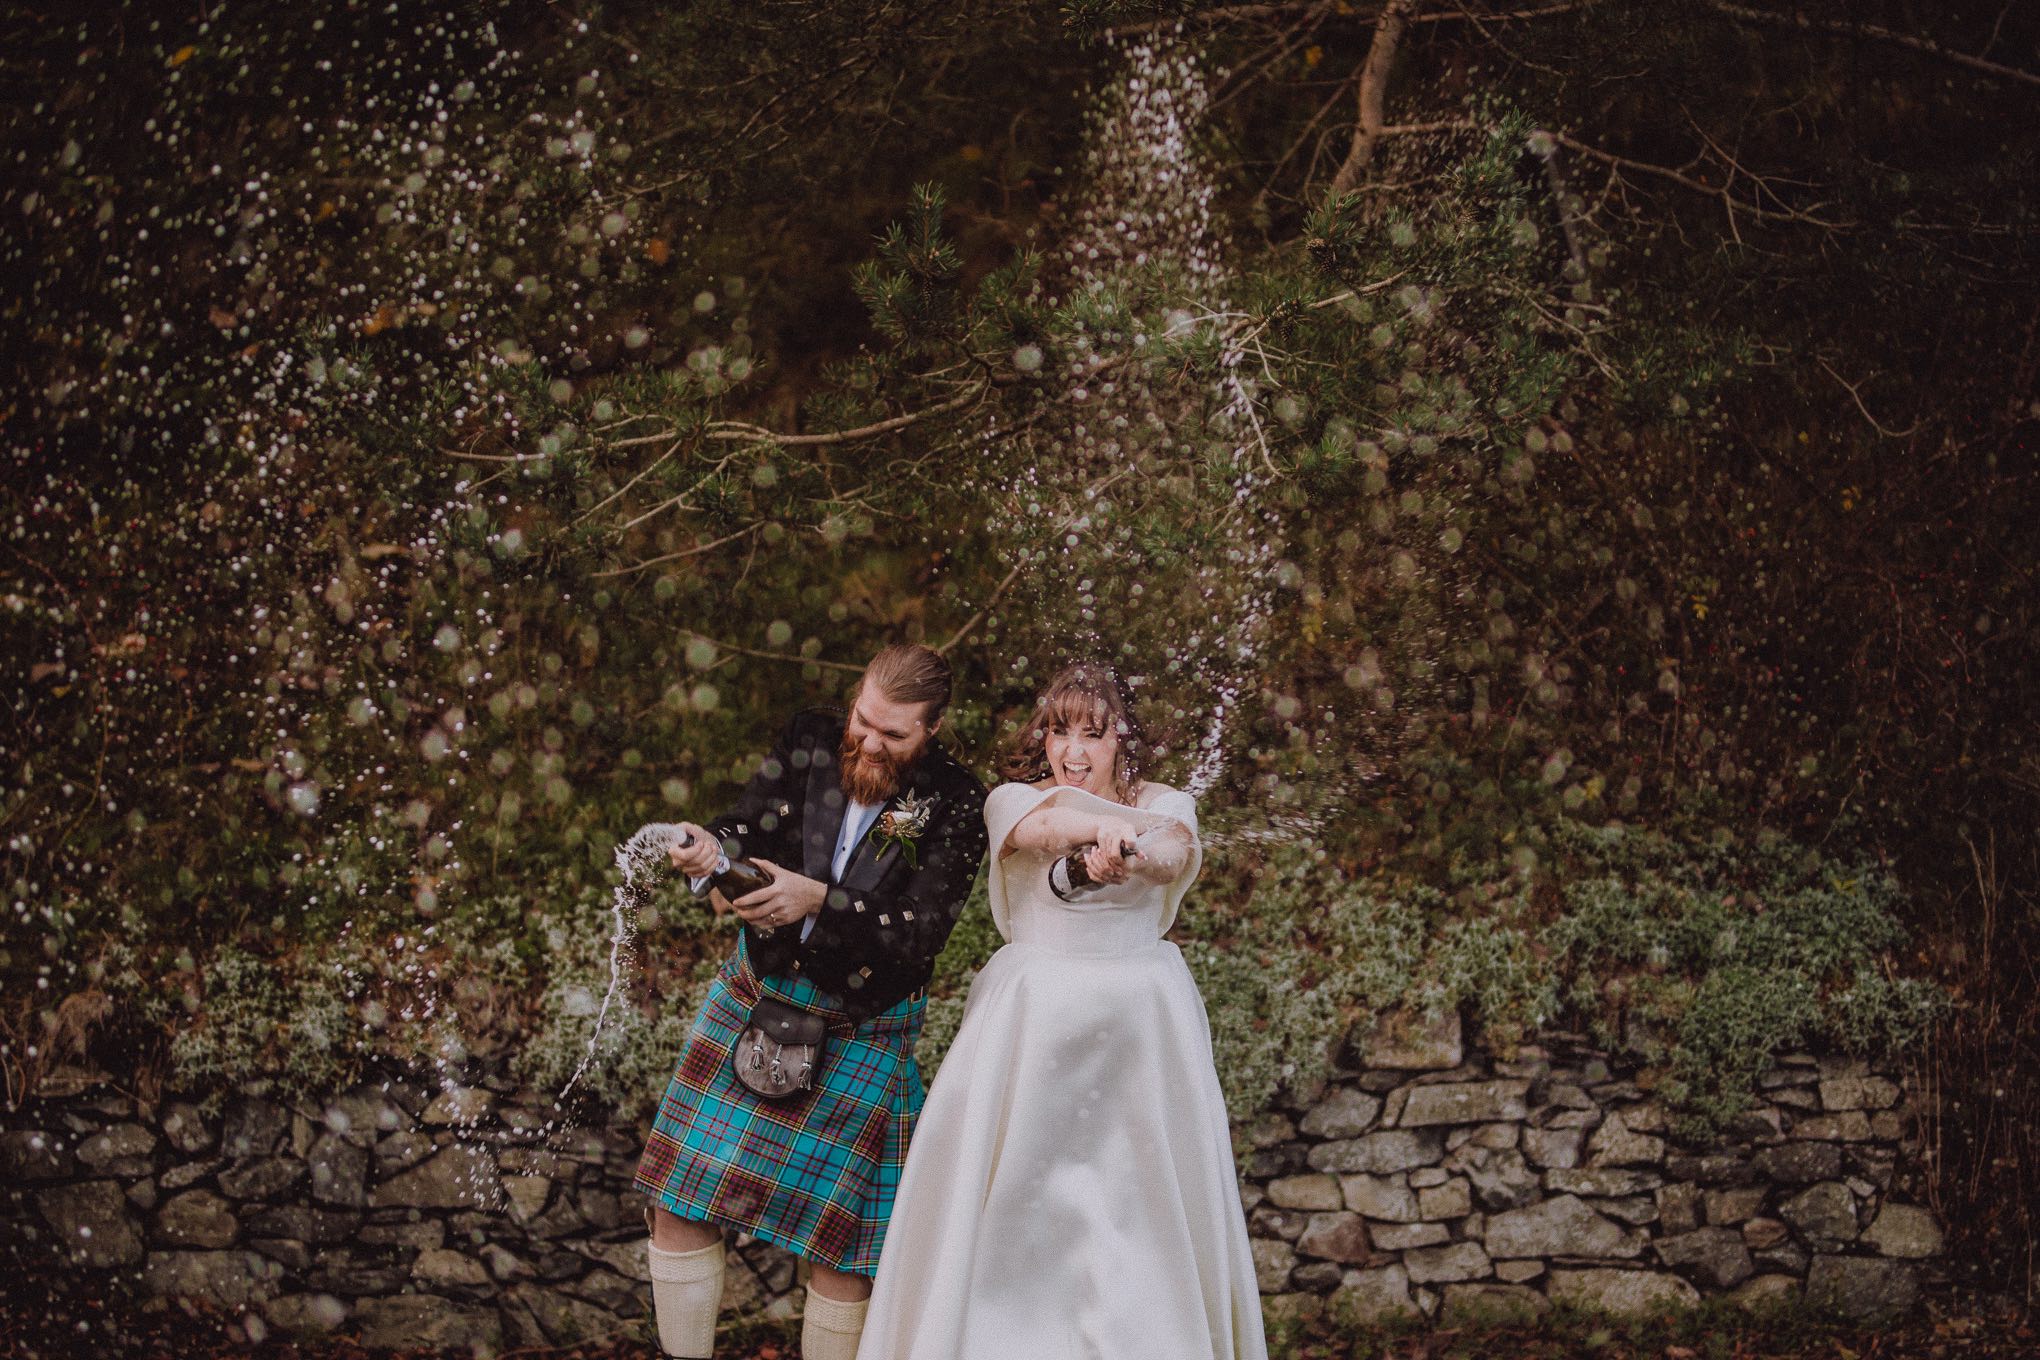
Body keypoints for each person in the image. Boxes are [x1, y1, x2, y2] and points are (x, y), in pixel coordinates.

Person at [858, 662, 1268, 1360]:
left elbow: (1173, 852)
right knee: (1015, 1205)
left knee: (1145, 1207)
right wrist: (1096, 838)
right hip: (1032, 1024)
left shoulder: (1168, 804)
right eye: (1057, 731)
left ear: (1125, 741)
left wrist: (1131, 855)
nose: (1071, 751)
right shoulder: (1013, 799)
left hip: (1144, 1025)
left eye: (1093, 734)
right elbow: (1049, 832)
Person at [634, 643, 989, 1360]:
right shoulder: (810, 737)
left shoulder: (957, 800)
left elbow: (918, 936)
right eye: (865, 720)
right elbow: (750, 823)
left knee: (844, 1251)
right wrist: (714, 844)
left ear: (934, 729)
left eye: (894, 733)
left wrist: (817, 901)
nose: (869, 740)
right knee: (676, 1205)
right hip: (755, 993)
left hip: (862, 1025)